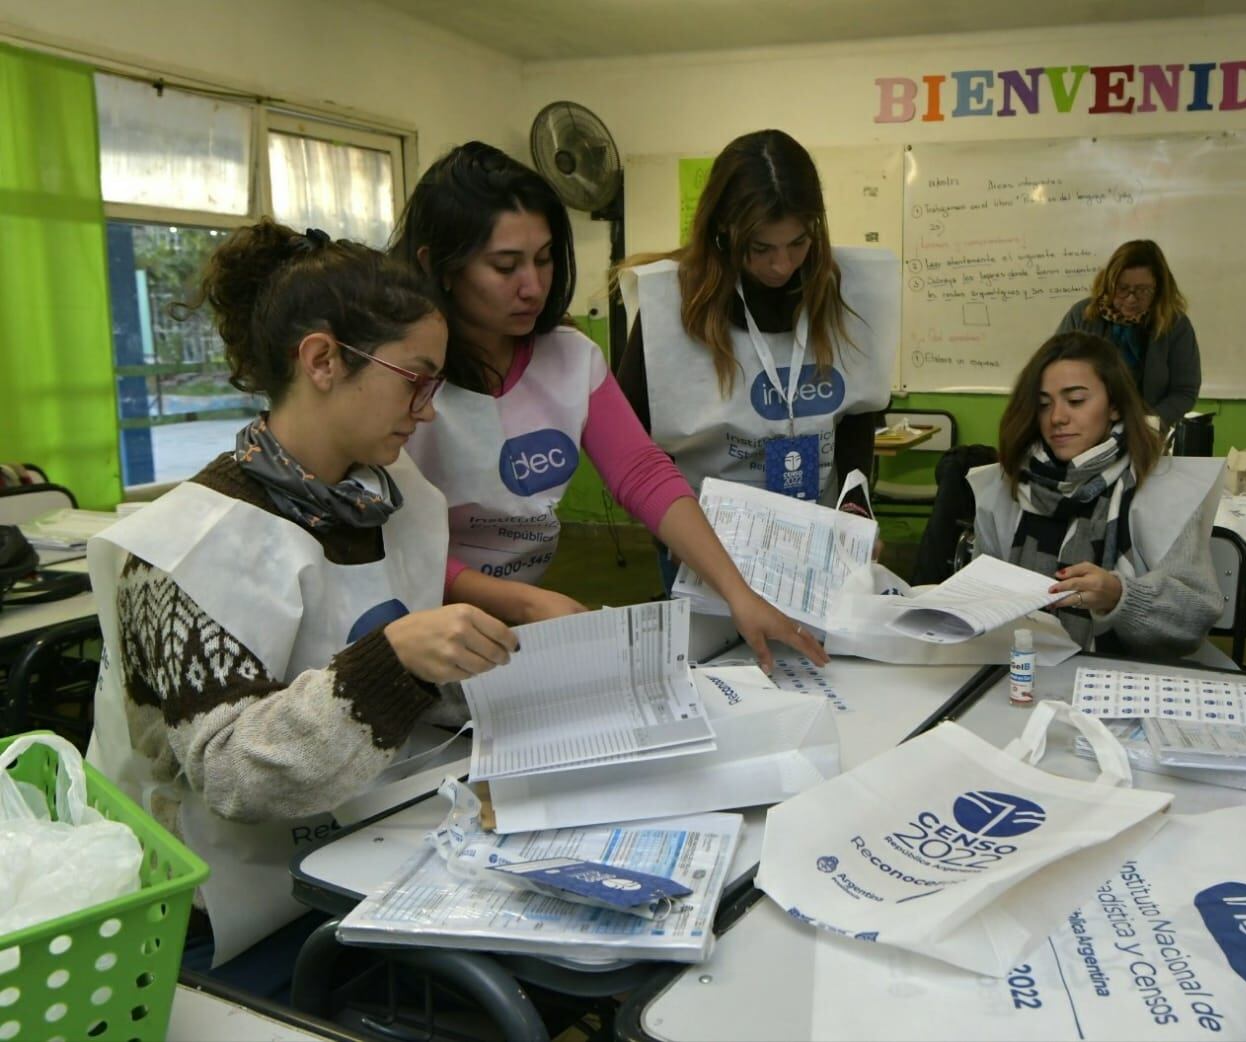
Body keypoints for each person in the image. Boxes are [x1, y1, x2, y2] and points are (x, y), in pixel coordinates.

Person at [87, 221, 518, 983]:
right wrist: (393, 662)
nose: (426, 410)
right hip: (211, 909)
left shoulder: (399, 497)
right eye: (414, 379)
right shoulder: (188, 546)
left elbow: (414, 686)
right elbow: (230, 779)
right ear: (322, 360)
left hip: (365, 840)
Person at [391, 141, 824, 670]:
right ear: (439, 267)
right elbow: (389, 540)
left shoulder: (570, 358)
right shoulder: (396, 374)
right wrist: (523, 602)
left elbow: (643, 474)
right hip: (415, 620)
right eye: (506, 266)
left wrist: (737, 591)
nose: (533, 286)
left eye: (545, 259)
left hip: (513, 620)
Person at [617, 129, 896, 519]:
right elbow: (629, 435)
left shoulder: (842, 291)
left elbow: (857, 413)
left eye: (798, 243)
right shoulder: (676, 304)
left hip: (816, 522)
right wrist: (670, 520)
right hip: (705, 530)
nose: (782, 265)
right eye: (760, 248)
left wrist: (854, 502)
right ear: (724, 229)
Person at [968, 332, 1224, 659]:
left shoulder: (1163, 488)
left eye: (1076, 401)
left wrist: (1120, 596)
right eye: (1044, 404)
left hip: (1129, 681)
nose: (1057, 418)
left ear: (1115, 406)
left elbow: (1193, 620)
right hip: (1021, 671)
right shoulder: (1004, 487)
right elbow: (981, 597)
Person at [1055, 240, 1198, 430]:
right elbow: (1054, 374)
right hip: (1084, 430)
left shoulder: (1175, 325)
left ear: (1159, 289)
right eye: (1122, 289)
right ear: (1108, 284)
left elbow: (1184, 391)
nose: (1131, 299)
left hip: (1146, 432)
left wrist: (1147, 424)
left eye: (1143, 290)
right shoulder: (1082, 316)